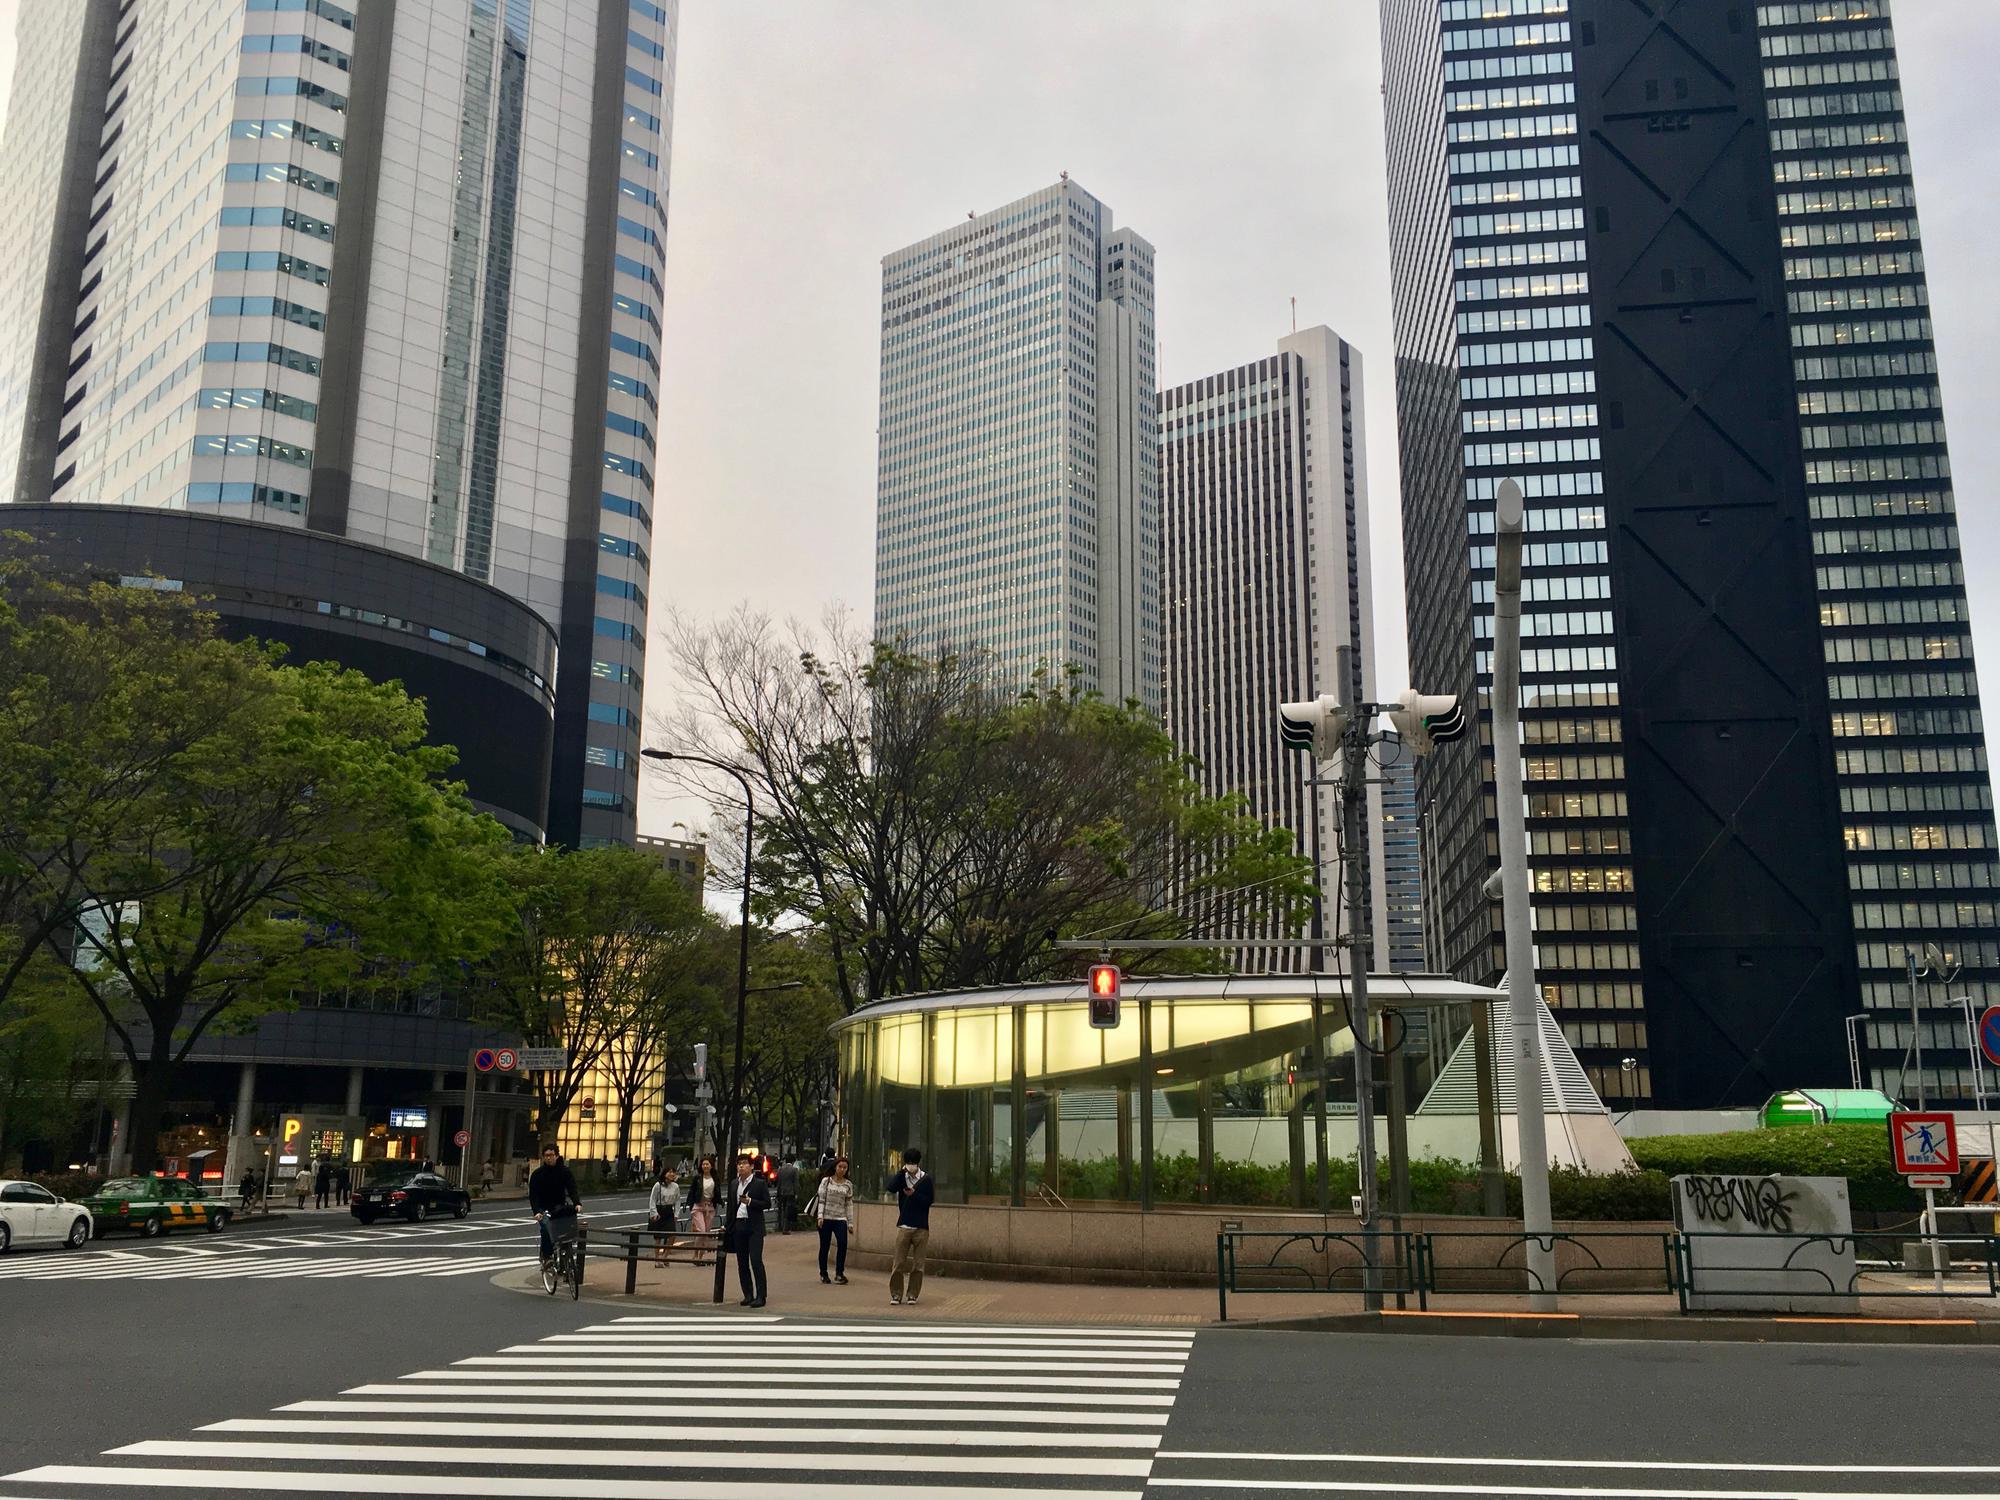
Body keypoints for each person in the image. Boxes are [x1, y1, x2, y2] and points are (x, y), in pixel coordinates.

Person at [885, 1147, 934, 1306]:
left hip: (921, 1226)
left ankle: (912, 1294)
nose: (911, 1165)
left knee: (918, 1264)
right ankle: (896, 1294)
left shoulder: (925, 1179)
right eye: (908, 1163)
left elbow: (929, 1200)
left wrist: (915, 1194)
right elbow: (890, 1187)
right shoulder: (902, 1178)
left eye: (913, 1163)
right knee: (898, 1262)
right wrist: (901, 1173)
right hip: (904, 1224)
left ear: (918, 1163)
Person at [726, 1153, 770, 1307]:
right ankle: (748, 1294)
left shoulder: (759, 1183)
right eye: (739, 1164)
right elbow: (731, 1207)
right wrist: (727, 1225)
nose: (741, 1166)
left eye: (744, 1163)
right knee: (742, 1262)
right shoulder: (733, 1184)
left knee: (756, 1260)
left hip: (755, 1226)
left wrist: (751, 1201)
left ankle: (761, 1296)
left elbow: (767, 1203)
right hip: (739, 1225)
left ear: (751, 1166)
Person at [527, 1143, 582, 1264]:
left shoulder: (564, 1172)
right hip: (543, 1208)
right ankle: (547, 1256)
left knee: (567, 1231)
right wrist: (536, 1211)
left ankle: (564, 1259)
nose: (549, 1158)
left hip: (559, 1207)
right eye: (546, 1155)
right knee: (546, 1229)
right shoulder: (537, 1174)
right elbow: (533, 1195)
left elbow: (572, 1188)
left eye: (551, 1155)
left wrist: (577, 1203)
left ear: (557, 1156)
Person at [812, 1155, 856, 1285]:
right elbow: (821, 1199)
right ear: (835, 1167)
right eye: (840, 1167)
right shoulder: (826, 1181)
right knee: (824, 1246)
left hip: (840, 1218)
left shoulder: (848, 1185)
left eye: (845, 1167)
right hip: (826, 1218)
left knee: (842, 1243)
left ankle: (839, 1272)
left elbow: (849, 1204)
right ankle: (823, 1273)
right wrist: (820, 1216)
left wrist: (850, 1222)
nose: (842, 1170)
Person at [685, 1155, 721, 1267]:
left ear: (711, 1166)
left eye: (707, 1164)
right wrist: (689, 1204)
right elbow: (692, 1191)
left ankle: (699, 1256)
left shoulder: (715, 1178)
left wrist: (720, 1201)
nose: (705, 1166)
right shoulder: (697, 1178)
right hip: (698, 1205)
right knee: (702, 1230)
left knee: (705, 1233)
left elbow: (717, 1192)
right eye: (703, 1164)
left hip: (710, 1207)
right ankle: (696, 1254)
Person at [649, 1168, 683, 1266]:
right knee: (658, 1237)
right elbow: (652, 1199)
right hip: (659, 1211)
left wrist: (676, 1214)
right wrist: (654, 1213)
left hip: (669, 1211)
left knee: (672, 1235)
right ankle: (657, 1259)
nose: (672, 1174)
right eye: (669, 1172)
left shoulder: (675, 1186)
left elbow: (677, 1201)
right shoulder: (658, 1185)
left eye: (673, 1172)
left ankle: (664, 1256)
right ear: (664, 1174)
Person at [776, 1156, 800, 1235]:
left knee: (782, 1209)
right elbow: (796, 1183)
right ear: (793, 1162)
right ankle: (785, 1228)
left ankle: (781, 1226)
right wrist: (796, 1193)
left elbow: (778, 1183)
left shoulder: (780, 1170)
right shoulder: (794, 1170)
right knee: (788, 1210)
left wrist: (778, 1193)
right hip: (790, 1192)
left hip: (782, 1192)